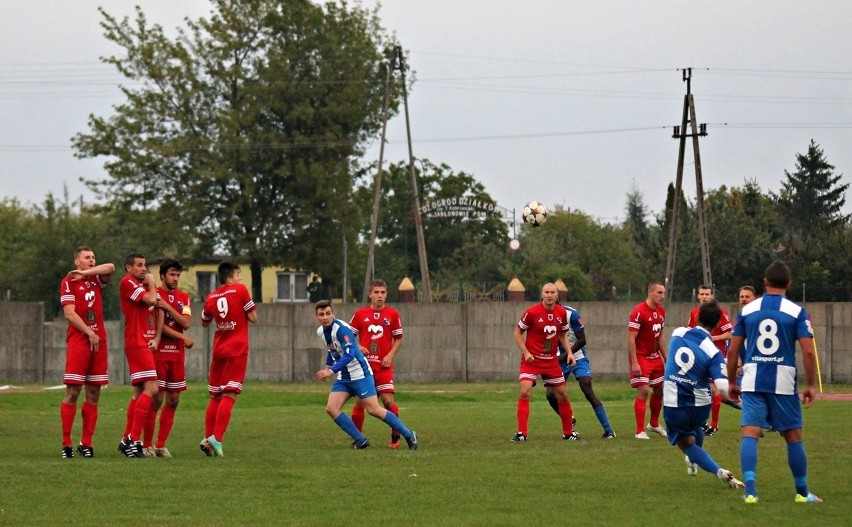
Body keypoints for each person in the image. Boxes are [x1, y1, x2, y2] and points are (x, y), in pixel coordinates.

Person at [727, 261, 822, 504]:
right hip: (783, 382)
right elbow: (809, 352)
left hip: (751, 379)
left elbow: (733, 350)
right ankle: (802, 493)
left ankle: (750, 491)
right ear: (789, 284)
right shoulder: (797, 312)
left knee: (750, 433)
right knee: (793, 437)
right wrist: (811, 385)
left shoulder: (747, 311)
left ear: (765, 282)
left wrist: (731, 381)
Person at [314, 300, 418, 450]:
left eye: (328, 313)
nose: (325, 317)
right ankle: (360, 440)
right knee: (331, 408)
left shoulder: (341, 329)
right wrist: (328, 368)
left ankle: (409, 434)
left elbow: (349, 354)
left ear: (333, 313)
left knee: (374, 410)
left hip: (360, 374)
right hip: (344, 377)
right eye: (321, 314)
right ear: (316, 317)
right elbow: (332, 350)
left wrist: (330, 371)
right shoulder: (321, 331)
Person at [663, 301, 744, 489]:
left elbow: (691, 354)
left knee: (687, 444)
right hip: (700, 407)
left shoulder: (678, 333)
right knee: (696, 426)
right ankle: (693, 461)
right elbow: (723, 387)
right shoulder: (713, 352)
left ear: (697, 317)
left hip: (674, 404)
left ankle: (719, 471)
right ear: (716, 325)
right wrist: (745, 407)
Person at [58, 246, 115, 458]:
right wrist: (89, 332)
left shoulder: (94, 279)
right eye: (87, 258)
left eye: (93, 257)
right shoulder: (68, 281)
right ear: (77, 261)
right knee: (73, 392)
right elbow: (69, 313)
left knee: (94, 392)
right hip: (80, 341)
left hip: (98, 341)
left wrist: (86, 273)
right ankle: (66, 443)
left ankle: (86, 443)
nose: (92, 260)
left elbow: (111, 267)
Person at [199, 262, 257, 457]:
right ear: (231, 278)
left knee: (215, 395)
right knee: (229, 394)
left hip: (219, 350)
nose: (240, 279)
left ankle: (208, 439)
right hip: (237, 349)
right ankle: (217, 438)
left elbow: (204, 321)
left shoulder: (211, 296)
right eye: (238, 275)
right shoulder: (240, 289)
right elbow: (253, 316)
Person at [512, 283, 577, 442]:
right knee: (525, 391)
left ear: (557, 295)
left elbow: (562, 335)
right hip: (532, 360)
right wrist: (526, 352)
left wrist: (569, 353)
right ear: (542, 294)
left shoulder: (561, 313)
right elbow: (517, 333)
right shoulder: (532, 312)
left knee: (562, 394)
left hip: (551, 361)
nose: (549, 295)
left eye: (552, 292)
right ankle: (522, 434)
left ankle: (568, 433)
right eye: (546, 292)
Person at [141, 259, 193, 458]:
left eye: (178, 275)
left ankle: (161, 445)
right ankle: (147, 445)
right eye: (172, 274)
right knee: (157, 399)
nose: (175, 278)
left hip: (177, 357)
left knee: (174, 400)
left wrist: (170, 308)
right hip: (159, 355)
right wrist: (182, 337)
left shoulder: (184, 298)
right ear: (162, 276)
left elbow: (186, 322)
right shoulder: (155, 296)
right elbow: (158, 327)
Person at [348, 279, 405, 448]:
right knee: (360, 402)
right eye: (376, 292)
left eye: (383, 292)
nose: (380, 296)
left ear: (386, 294)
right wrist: (358, 347)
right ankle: (358, 438)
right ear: (370, 294)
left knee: (388, 401)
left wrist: (389, 355)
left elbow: (399, 338)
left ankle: (395, 436)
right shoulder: (360, 314)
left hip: (383, 367)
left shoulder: (393, 314)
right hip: (364, 368)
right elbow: (348, 337)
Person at [545, 302, 615, 439]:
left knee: (587, 388)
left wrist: (566, 355)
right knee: (550, 395)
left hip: (577, 357)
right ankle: (568, 420)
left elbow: (582, 340)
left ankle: (609, 430)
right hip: (558, 358)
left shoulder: (572, 314)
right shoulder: (544, 316)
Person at [116, 252, 161, 458]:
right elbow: (152, 300)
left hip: (145, 341)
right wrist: (152, 283)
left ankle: (127, 439)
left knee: (138, 392)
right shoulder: (128, 283)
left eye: (145, 265)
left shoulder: (140, 286)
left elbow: (158, 308)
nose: (144, 269)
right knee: (152, 388)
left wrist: (157, 337)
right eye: (140, 265)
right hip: (136, 341)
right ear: (129, 268)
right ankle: (133, 440)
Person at [686, 285, 733, 436]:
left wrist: (713, 338)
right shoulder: (694, 313)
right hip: (699, 356)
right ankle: (702, 423)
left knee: (715, 389)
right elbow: (690, 332)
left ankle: (713, 424)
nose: (704, 296)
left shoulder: (721, 313)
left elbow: (729, 333)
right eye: (702, 294)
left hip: (716, 356)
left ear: (712, 296)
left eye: (707, 294)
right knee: (700, 389)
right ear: (698, 296)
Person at [628, 281, 668, 439]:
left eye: (663, 293)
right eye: (659, 293)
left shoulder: (661, 312)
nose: (662, 296)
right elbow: (631, 338)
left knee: (659, 390)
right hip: (641, 357)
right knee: (644, 390)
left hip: (655, 357)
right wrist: (634, 362)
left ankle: (654, 424)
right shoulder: (639, 311)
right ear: (650, 292)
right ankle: (639, 430)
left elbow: (660, 337)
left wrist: (667, 358)